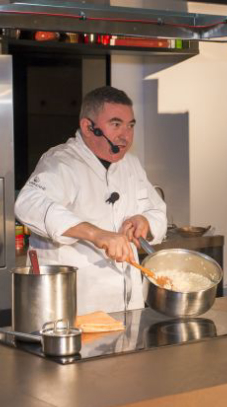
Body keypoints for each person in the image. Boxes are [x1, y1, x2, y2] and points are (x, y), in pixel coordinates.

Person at [15, 86, 167, 314]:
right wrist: (96, 234)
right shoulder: (61, 163)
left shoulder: (131, 165)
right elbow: (28, 204)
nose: (125, 135)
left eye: (130, 125)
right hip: (76, 306)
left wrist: (144, 221)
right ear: (88, 127)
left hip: (128, 305)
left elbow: (157, 212)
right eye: (116, 124)